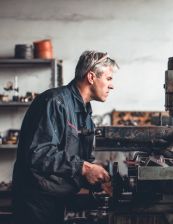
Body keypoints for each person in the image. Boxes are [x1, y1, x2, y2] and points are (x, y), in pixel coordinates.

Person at [12, 51, 119, 224]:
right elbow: (38, 154)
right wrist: (84, 168)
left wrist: (96, 179)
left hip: (57, 199)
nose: (112, 86)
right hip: (36, 204)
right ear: (91, 77)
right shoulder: (55, 102)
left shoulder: (84, 112)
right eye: (108, 79)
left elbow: (76, 160)